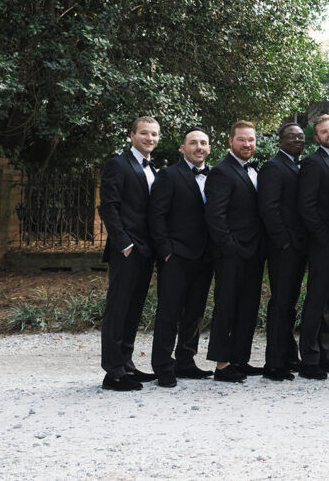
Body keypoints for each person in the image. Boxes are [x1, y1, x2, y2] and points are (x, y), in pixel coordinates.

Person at [149, 126, 215, 387]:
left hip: (205, 256)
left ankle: (186, 360)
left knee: (195, 312)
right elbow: (157, 215)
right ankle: (163, 365)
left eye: (203, 143)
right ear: (183, 148)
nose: (199, 147)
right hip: (176, 255)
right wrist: (165, 250)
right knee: (169, 311)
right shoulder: (169, 175)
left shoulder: (214, 175)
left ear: (209, 148)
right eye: (193, 143)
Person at [98, 116, 161, 391]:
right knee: (118, 309)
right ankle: (113, 373)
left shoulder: (153, 167)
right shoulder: (118, 164)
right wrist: (124, 244)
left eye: (154, 134)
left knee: (133, 309)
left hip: (146, 250)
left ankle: (126, 364)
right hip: (127, 250)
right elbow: (108, 207)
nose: (150, 138)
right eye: (144, 133)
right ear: (132, 135)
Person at [205, 120, 265, 383]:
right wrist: (229, 247)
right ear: (231, 141)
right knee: (226, 307)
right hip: (232, 252)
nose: (247, 144)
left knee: (248, 307)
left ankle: (240, 359)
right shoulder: (222, 171)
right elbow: (215, 215)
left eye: (251, 139)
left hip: (254, 252)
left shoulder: (255, 170)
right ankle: (222, 364)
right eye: (241, 139)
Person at [296, 114, 329, 379]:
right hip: (322, 243)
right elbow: (306, 205)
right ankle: (309, 358)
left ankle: (328, 354)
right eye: (324, 131)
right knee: (316, 299)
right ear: (317, 137)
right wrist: (324, 236)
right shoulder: (313, 163)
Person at [258, 122, 307, 381]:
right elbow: (269, 207)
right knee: (280, 303)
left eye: (300, 137)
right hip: (283, 248)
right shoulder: (273, 167)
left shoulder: (299, 165)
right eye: (291, 137)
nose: (297, 140)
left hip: (298, 246)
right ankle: (274, 364)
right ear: (280, 141)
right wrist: (284, 242)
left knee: (290, 303)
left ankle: (289, 355)